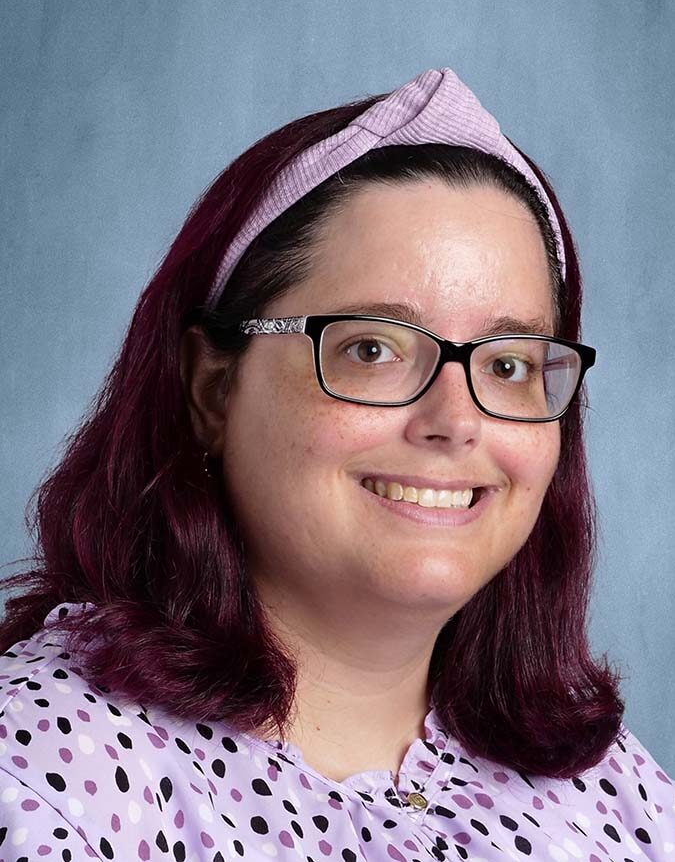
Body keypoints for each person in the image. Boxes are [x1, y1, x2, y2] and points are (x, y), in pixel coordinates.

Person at [0, 67, 672, 860]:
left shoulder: (615, 790)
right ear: (212, 390)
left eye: (508, 365)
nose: (456, 422)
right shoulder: (44, 773)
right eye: (372, 349)